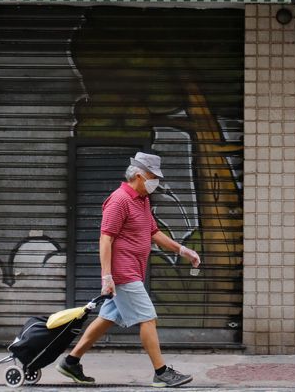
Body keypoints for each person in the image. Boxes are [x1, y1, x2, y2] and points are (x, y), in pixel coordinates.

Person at [58, 151, 201, 388]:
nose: (157, 181)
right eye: (153, 176)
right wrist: (107, 276)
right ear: (138, 175)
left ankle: (71, 362)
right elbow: (105, 239)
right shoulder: (119, 200)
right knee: (148, 318)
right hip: (123, 273)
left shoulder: (142, 199)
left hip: (133, 270)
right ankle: (161, 372)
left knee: (107, 318)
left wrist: (183, 250)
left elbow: (153, 233)